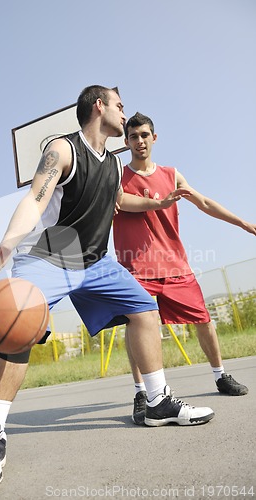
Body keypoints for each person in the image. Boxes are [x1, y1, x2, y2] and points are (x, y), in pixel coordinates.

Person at [0, 87, 214, 491]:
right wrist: (8, 241)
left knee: (144, 310)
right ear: (99, 106)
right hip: (50, 255)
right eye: (119, 105)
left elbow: (119, 200)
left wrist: (157, 202)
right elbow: (34, 198)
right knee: (16, 328)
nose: (123, 112)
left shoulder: (114, 165)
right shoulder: (61, 151)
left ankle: (156, 402)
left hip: (96, 263)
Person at [113, 112, 254, 426]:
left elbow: (203, 202)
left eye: (145, 135)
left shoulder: (171, 174)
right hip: (136, 267)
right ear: (126, 142)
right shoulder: (117, 177)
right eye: (133, 137)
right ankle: (141, 392)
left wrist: (243, 222)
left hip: (175, 265)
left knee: (203, 318)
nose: (139, 141)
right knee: (136, 326)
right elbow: (118, 201)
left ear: (154, 138)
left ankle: (220, 376)